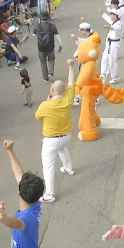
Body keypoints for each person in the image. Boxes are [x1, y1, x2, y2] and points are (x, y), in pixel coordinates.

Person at [0, 140, 45, 248]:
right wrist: (10, 151)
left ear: (19, 193)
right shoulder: (34, 202)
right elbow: (18, 173)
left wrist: (2, 218)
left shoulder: (27, 218)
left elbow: (16, 223)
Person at [33, 59, 75, 203]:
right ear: (64, 91)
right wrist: (71, 66)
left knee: (48, 167)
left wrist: (48, 101)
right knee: (62, 149)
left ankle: (49, 194)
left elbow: (37, 117)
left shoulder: (45, 105)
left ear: (51, 91)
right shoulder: (68, 99)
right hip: (66, 136)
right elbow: (71, 81)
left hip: (51, 140)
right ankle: (68, 168)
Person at [34, 11, 61, 83]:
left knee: (43, 62)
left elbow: (34, 35)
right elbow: (57, 36)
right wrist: (60, 45)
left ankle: (45, 77)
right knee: (51, 60)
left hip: (41, 48)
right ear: (48, 18)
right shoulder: (52, 26)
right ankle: (50, 73)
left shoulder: (37, 26)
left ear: (41, 18)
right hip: (50, 47)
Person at [100, 8, 124, 84]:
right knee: (105, 58)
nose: (110, 16)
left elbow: (118, 28)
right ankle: (103, 74)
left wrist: (110, 27)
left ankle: (115, 76)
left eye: (111, 14)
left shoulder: (119, 23)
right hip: (109, 43)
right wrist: (103, 13)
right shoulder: (114, 22)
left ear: (115, 16)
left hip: (114, 44)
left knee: (112, 60)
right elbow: (108, 19)